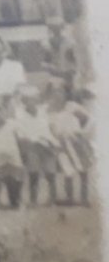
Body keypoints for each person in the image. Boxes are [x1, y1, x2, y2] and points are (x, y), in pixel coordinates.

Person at [46, 78, 93, 206]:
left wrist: (81, 133)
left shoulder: (72, 106)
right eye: (54, 92)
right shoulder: (50, 110)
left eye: (60, 92)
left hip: (76, 140)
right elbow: (50, 128)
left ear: (65, 94)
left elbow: (88, 119)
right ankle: (70, 198)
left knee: (83, 170)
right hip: (61, 143)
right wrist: (55, 141)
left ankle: (84, 198)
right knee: (68, 171)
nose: (57, 95)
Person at [14, 84, 60, 206]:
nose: (31, 102)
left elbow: (52, 127)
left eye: (34, 99)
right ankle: (33, 200)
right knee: (33, 174)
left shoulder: (43, 111)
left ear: (37, 100)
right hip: (32, 146)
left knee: (50, 174)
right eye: (28, 99)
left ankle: (53, 200)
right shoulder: (20, 115)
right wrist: (26, 142)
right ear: (24, 101)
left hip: (47, 145)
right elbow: (20, 133)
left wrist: (54, 142)